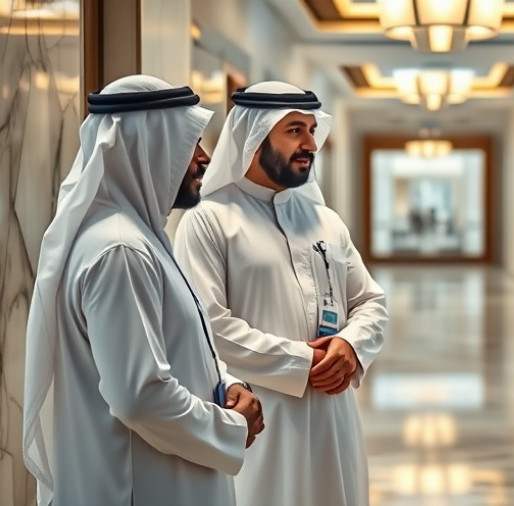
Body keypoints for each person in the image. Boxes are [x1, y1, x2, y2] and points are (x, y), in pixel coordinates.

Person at [22, 75, 265, 506]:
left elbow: (171, 350)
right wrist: (231, 426)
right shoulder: (121, 250)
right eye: (191, 143)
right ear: (146, 148)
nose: (204, 158)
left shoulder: (140, 238)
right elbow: (139, 397)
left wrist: (224, 384)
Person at [174, 81, 388, 506]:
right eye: (294, 130)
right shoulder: (209, 220)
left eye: (311, 130)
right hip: (261, 417)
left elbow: (370, 302)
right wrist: (303, 362)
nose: (310, 143)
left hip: (334, 415)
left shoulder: (325, 220)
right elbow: (207, 326)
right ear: (254, 137)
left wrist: (350, 345)